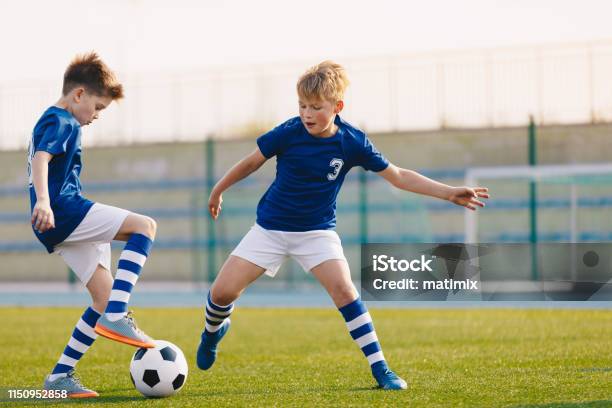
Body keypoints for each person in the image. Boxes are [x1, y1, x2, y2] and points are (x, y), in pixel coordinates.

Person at [196, 60, 489, 390]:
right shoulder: (288, 132)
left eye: (316, 107)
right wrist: (218, 189)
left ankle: (381, 369)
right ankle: (212, 334)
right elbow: (250, 163)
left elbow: (398, 176)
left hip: (317, 233)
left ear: (337, 107)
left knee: (345, 290)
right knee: (222, 293)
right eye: (302, 105)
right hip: (270, 230)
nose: (307, 113)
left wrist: (449, 193)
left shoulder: (352, 141)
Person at [28, 52, 157, 398]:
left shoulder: (58, 120)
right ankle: (118, 313)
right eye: (98, 107)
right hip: (64, 211)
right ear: (79, 95)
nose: (97, 116)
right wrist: (43, 201)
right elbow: (41, 160)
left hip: (57, 221)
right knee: (145, 226)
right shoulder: (62, 121)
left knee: (102, 297)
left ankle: (60, 377)